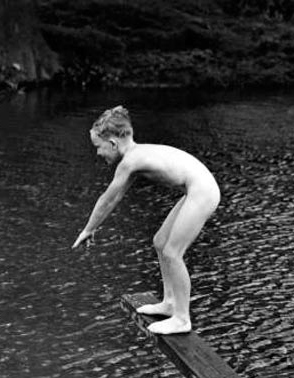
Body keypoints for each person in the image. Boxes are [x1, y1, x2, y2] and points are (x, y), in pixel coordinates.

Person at [72, 106, 220, 335]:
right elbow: (115, 197)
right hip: (197, 188)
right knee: (161, 242)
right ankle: (170, 302)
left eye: (98, 147)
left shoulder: (130, 162)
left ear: (112, 143)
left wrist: (87, 230)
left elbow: (107, 200)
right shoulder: (136, 155)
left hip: (203, 190)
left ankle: (182, 318)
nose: (98, 153)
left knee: (173, 252)